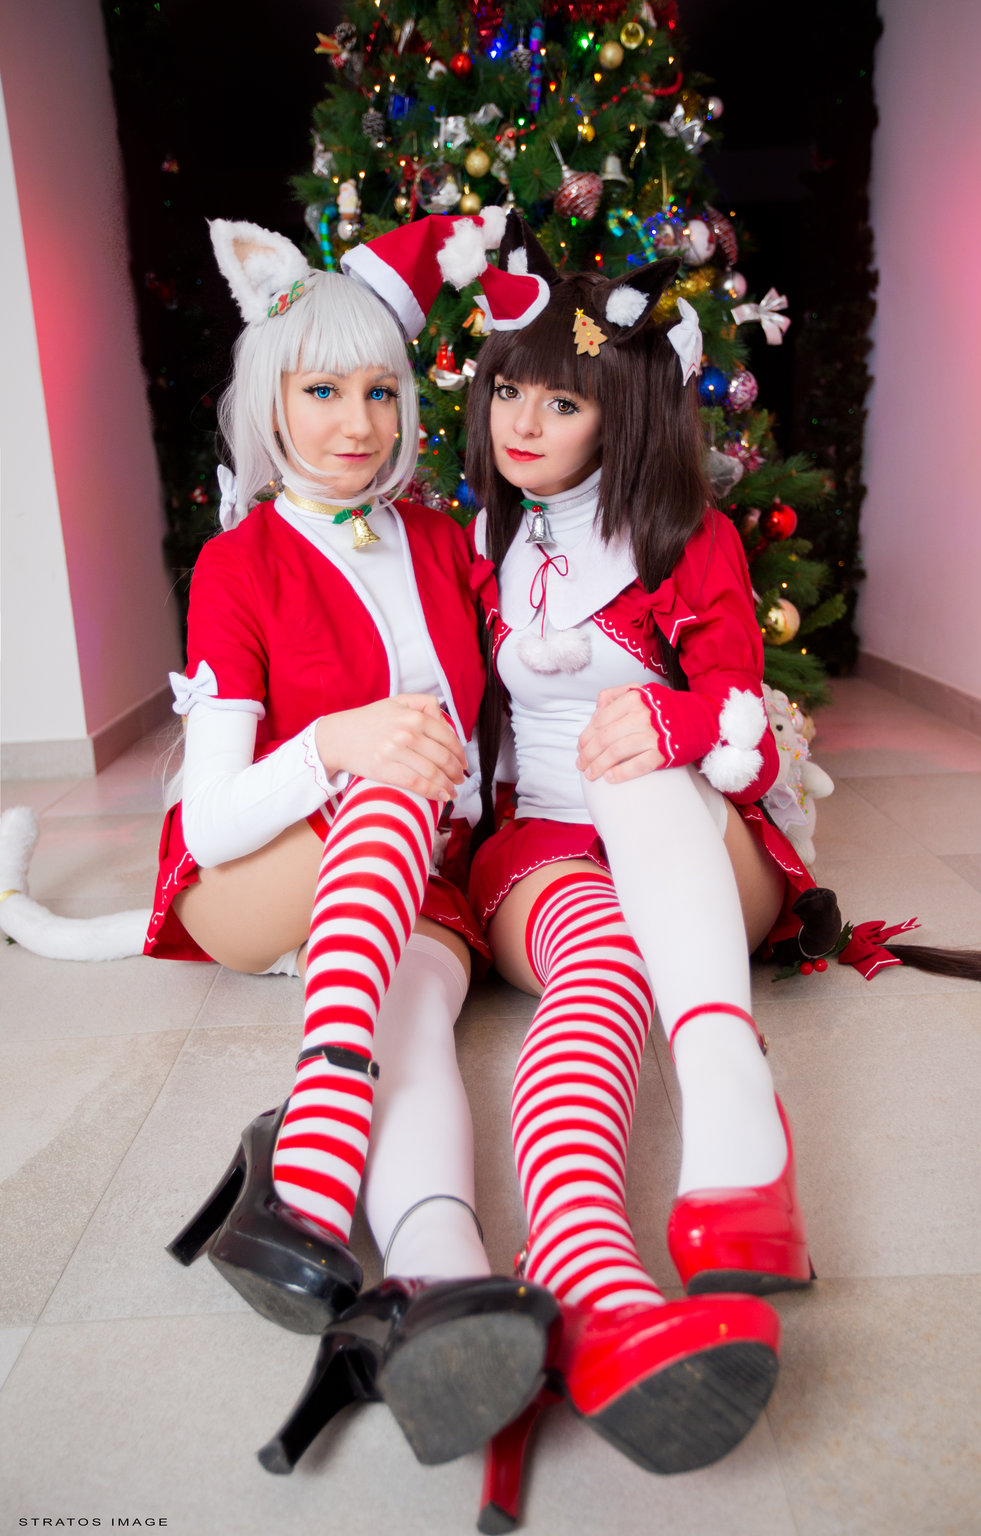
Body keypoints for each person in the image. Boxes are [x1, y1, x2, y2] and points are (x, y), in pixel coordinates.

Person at [146, 211, 558, 1469]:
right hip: (250, 878)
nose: (358, 424)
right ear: (269, 399)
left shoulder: (439, 538)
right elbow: (213, 820)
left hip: (417, 885)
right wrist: (338, 742)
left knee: (418, 1013)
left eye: (380, 391)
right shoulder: (239, 563)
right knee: (387, 779)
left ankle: (436, 1277)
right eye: (321, 391)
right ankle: (310, 1169)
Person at [461, 214, 814, 1487]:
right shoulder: (483, 544)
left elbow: (750, 750)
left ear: (620, 415)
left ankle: (728, 1103)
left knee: (642, 762)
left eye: (562, 401)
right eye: (510, 389)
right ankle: (587, 1267)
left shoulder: (685, 539)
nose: (523, 422)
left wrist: (672, 719)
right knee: (601, 973)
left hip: (697, 836)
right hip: (551, 853)